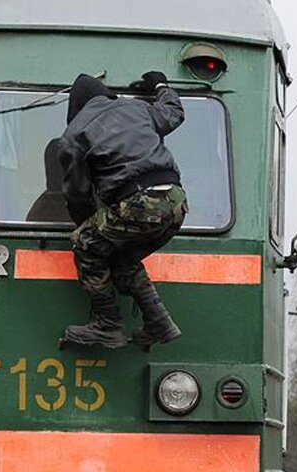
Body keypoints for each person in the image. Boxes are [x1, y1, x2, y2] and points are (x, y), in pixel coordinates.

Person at [57, 72, 189, 349]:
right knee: (122, 258)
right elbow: (174, 113)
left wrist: (88, 226)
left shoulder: (74, 134)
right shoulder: (137, 108)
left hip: (138, 204)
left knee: (85, 242)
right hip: (176, 202)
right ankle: (159, 322)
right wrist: (161, 86)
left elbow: (78, 195)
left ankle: (107, 324)